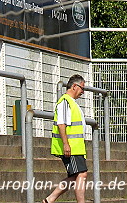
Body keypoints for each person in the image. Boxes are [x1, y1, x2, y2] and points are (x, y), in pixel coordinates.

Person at [43, 74, 88, 203]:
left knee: (76, 176)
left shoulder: (71, 103)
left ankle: (49, 200)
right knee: (81, 174)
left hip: (76, 147)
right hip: (71, 147)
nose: (83, 92)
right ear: (74, 86)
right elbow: (61, 123)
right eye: (82, 88)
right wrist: (66, 144)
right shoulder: (64, 102)